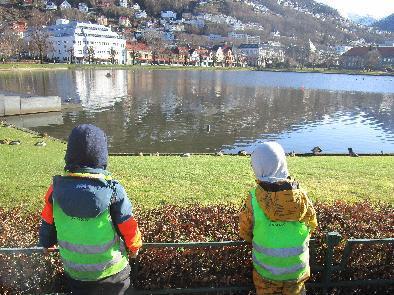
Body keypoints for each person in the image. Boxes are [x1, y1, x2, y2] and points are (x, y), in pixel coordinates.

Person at [39, 124, 142, 295]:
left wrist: (45, 243)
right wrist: (134, 246)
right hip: (113, 272)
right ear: (101, 157)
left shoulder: (55, 191)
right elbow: (127, 224)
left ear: (69, 155)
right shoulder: (113, 190)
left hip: (76, 272)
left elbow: (47, 224)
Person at [239, 142, 317, 295]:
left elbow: (245, 230)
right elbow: (312, 224)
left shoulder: (254, 198)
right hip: (297, 269)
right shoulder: (301, 196)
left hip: (266, 270)